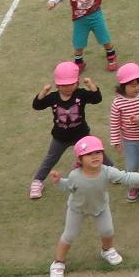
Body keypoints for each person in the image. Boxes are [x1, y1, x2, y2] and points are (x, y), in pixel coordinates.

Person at [47, 134, 139, 277]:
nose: (95, 156)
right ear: (79, 159)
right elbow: (68, 187)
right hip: (77, 209)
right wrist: (58, 182)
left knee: (107, 231)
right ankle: (58, 262)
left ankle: (106, 250)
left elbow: (126, 177)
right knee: (69, 235)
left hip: (100, 207)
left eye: (98, 152)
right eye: (89, 154)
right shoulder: (75, 175)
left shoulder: (107, 171)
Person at [30, 60, 103, 198]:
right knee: (51, 158)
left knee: (95, 152)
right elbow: (37, 105)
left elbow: (97, 98)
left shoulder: (80, 94)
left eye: (71, 84)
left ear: (77, 83)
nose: (68, 88)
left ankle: (112, 171)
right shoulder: (53, 97)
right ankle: (38, 181)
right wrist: (43, 92)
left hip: (81, 135)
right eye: (64, 85)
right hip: (60, 137)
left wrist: (91, 85)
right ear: (57, 85)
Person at [108, 62, 139, 201]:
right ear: (123, 86)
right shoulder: (118, 103)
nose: (137, 87)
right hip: (130, 141)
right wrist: (116, 141)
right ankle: (135, 185)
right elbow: (114, 123)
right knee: (132, 165)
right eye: (132, 85)